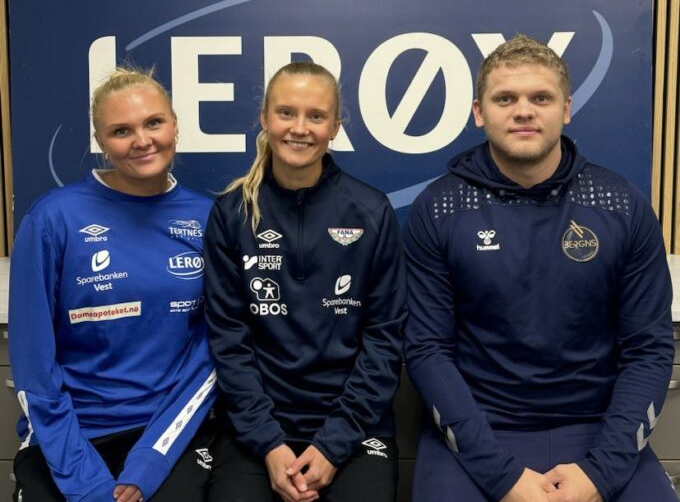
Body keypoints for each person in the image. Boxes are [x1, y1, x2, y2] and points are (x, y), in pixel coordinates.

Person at [404, 35, 676, 502]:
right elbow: (428, 350)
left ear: (566, 109)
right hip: (480, 431)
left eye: (541, 98)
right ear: (479, 112)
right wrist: (500, 475)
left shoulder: (620, 204)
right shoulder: (439, 209)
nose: (524, 111)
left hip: (597, 429)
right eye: (505, 99)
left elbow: (648, 349)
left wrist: (601, 473)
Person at [9, 68, 217, 502]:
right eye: (121, 131)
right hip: (71, 433)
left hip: (170, 431)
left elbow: (209, 355)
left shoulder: (208, 219)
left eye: (153, 123)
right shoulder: (53, 218)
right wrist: (84, 480)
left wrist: (150, 460)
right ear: (100, 141)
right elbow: (33, 364)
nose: (142, 140)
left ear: (175, 125)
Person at [203, 61, 406, 502]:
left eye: (316, 115)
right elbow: (228, 340)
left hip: (354, 425)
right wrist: (269, 443)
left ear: (335, 126)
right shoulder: (232, 213)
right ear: (264, 118)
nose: (300, 128)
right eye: (286, 113)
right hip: (256, 426)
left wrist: (334, 444)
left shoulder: (371, 211)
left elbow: (385, 340)